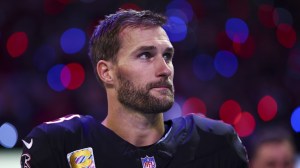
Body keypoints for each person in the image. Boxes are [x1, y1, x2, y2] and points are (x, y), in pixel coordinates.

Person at [20, 9, 248, 168]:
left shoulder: (215, 143)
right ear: (106, 72)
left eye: (167, 56)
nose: (165, 69)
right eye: (146, 55)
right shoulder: (60, 146)